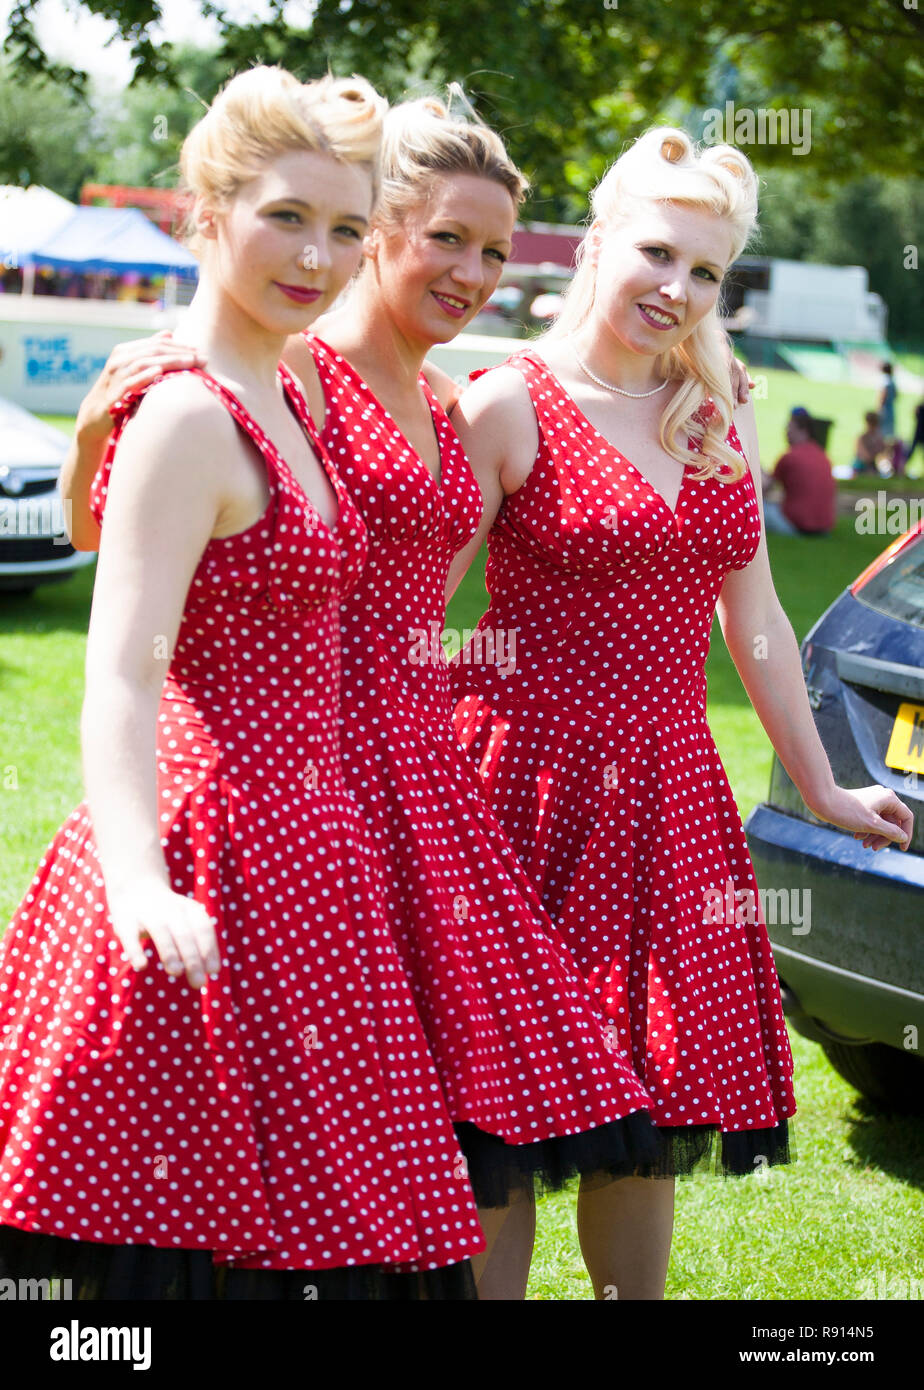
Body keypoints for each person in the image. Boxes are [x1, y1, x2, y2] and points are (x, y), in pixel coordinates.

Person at [60, 94, 717, 1304]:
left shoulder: (455, 402)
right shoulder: (293, 374)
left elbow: (457, 607)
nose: (471, 271)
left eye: (493, 249)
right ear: (386, 233)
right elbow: (140, 570)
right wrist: (98, 435)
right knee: (340, 1138)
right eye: (446, 239)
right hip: (310, 782)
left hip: (422, 785)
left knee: (488, 1116)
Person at [0, 65, 485, 1301]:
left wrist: (683, 369)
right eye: (284, 216)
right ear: (203, 213)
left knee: (323, 1215)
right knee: (171, 1241)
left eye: (342, 227)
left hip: (316, 862)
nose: (316, 255)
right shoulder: (191, 414)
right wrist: (140, 879)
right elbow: (119, 669)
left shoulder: (295, 393)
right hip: (202, 854)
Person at [444, 127, 914, 1299]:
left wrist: (820, 788)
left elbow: (751, 620)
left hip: (668, 796)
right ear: (599, 241)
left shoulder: (714, 414)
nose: (678, 289)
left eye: (707, 271)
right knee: (500, 1118)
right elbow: (412, 605)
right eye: (657, 253)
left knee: (646, 1099)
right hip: (519, 789)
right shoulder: (510, 401)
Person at [761, 409, 836, 535]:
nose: (786, 434)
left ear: (803, 431)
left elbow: (763, 489)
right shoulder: (822, 455)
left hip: (796, 525)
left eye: (790, 429)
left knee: (756, 509)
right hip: (824, 527)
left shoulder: (790, 457)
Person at [853, 409, 887, 476]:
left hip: (872, 465)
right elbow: (865, 456)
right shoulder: (862, 438)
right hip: (861, 466)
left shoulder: (878, 438)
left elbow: (883, 451)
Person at [879, 361, 897, 439]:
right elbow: (896, 395)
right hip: (890, 408)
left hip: (885, 409)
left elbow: (883, 395)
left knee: (882, 431)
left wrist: (880, 407)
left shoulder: (885, 380)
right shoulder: (892, 380)